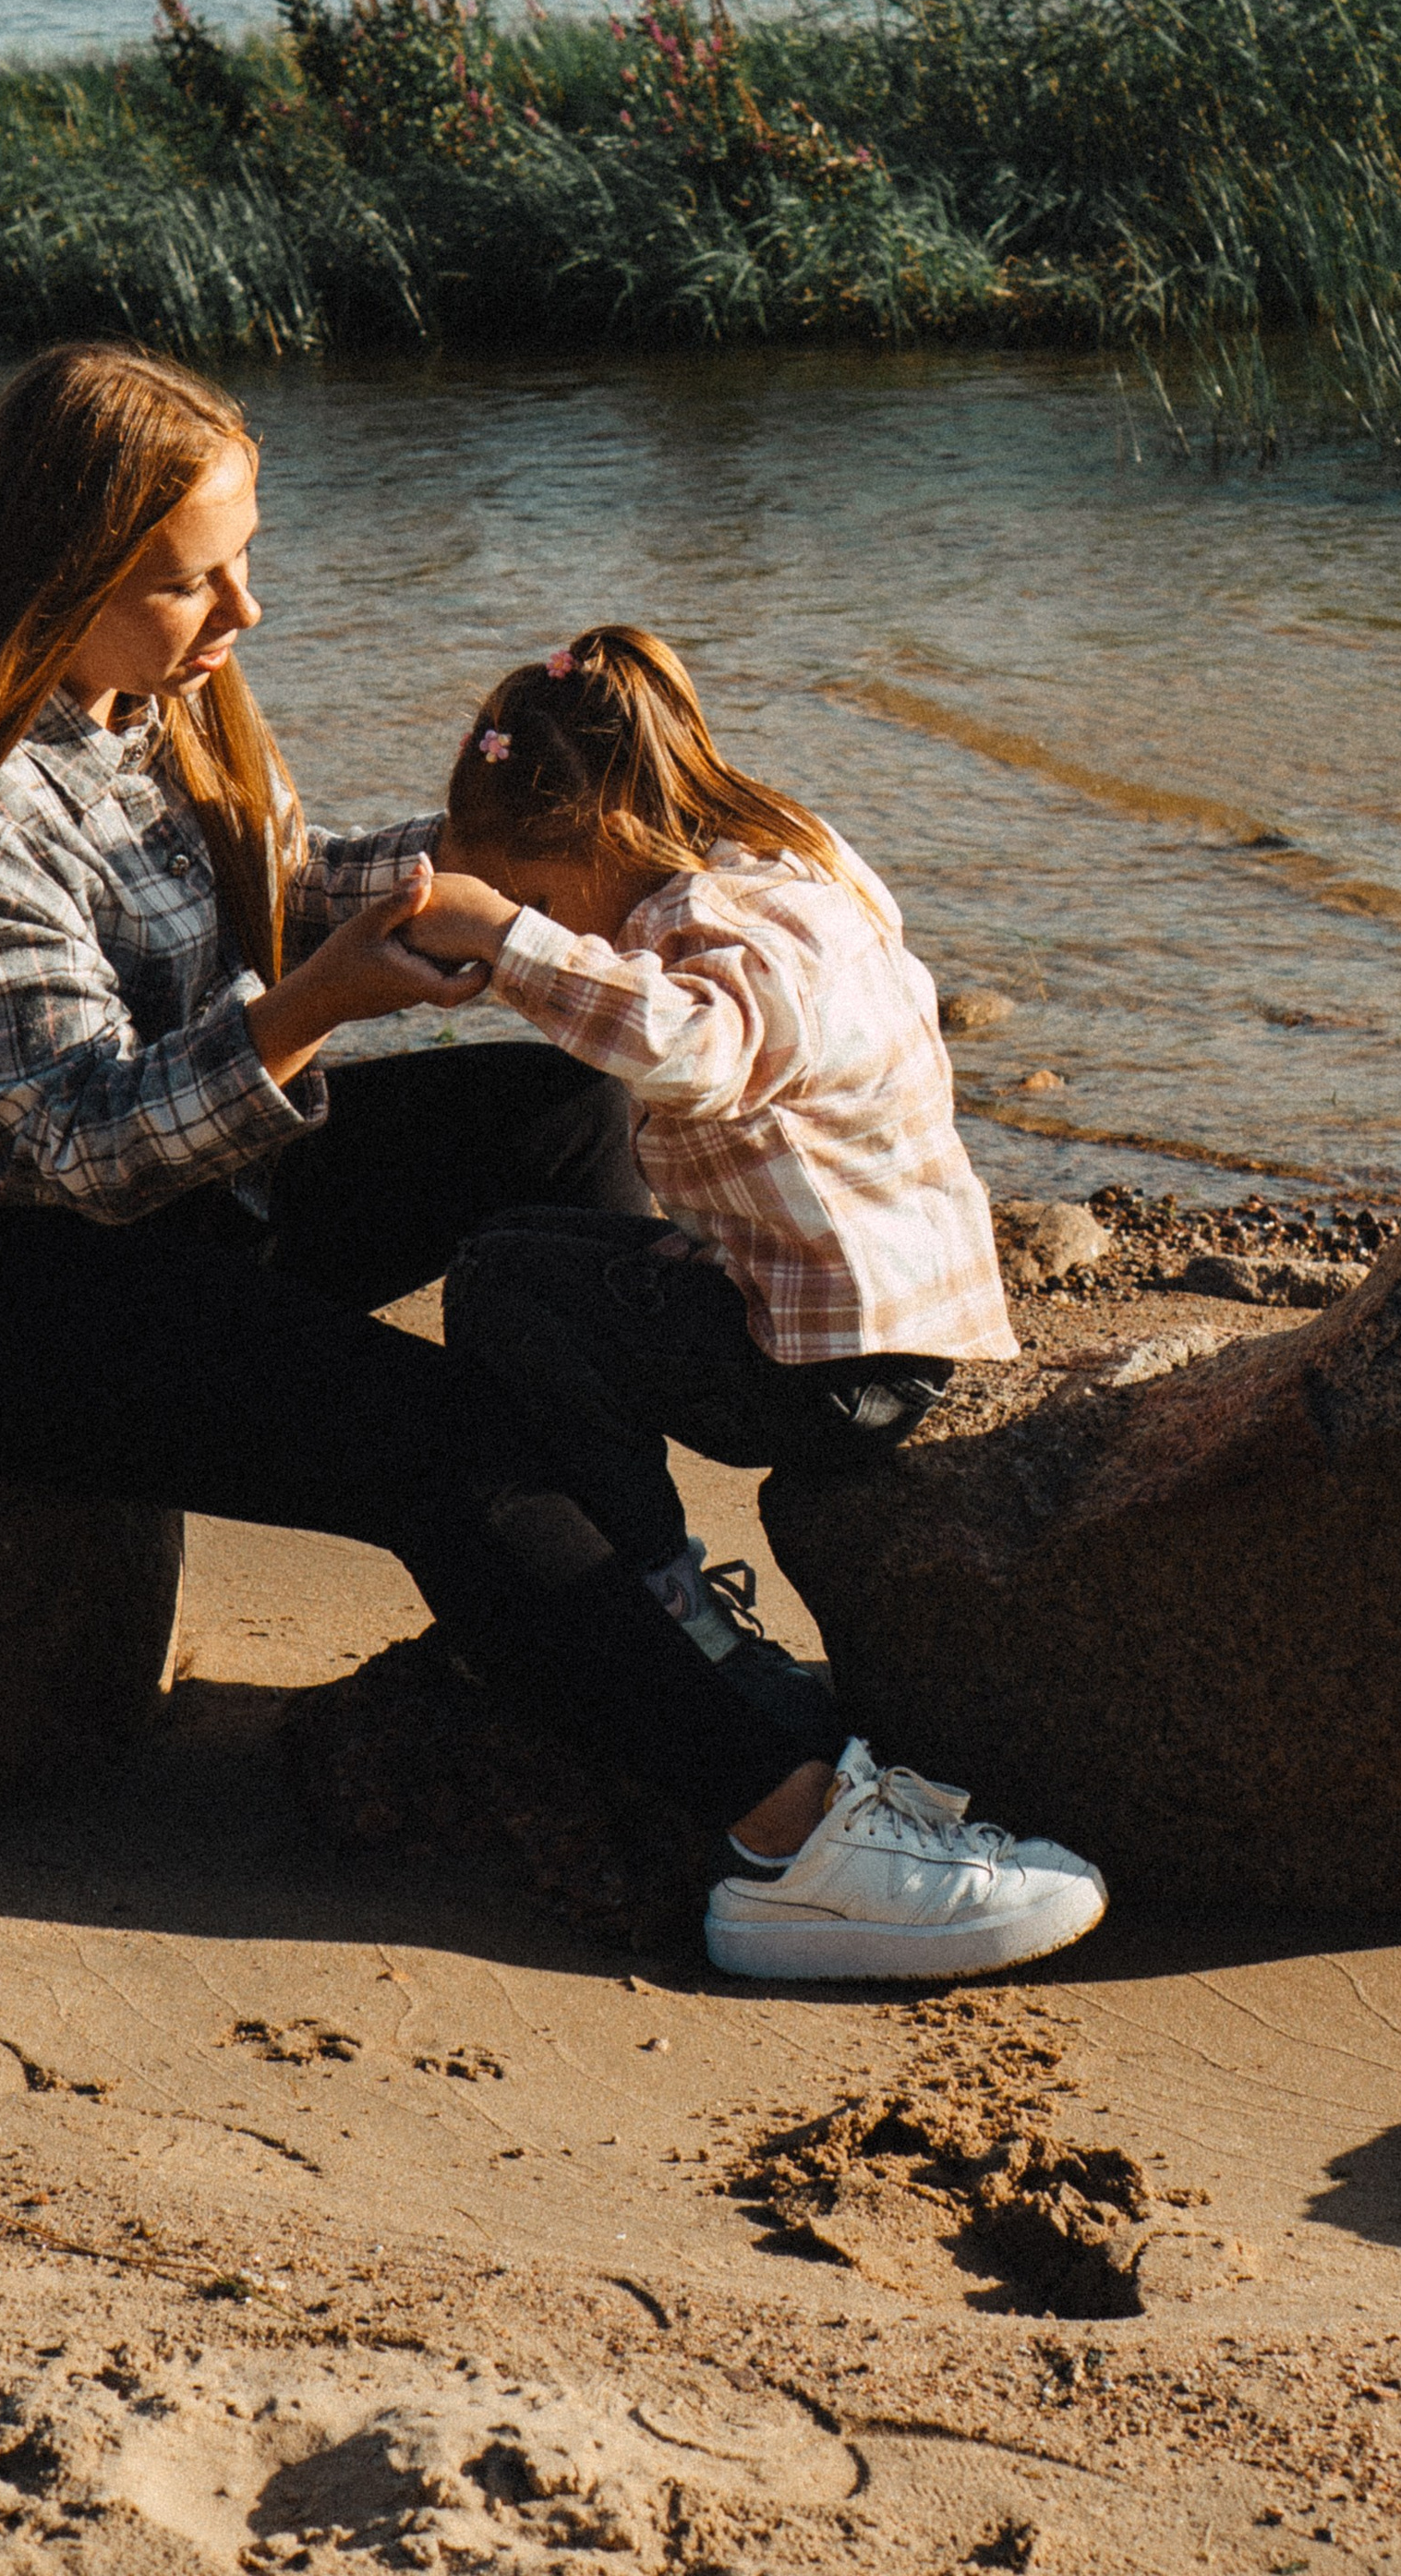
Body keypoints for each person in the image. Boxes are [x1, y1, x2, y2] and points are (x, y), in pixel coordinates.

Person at [0, 344, 1105, 1984]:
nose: (246, 613)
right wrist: (317, 1009)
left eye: (245, 556)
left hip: (174, 1199)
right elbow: (88, 1147)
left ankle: (623, 1585)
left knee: (560, 1118)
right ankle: (785, 1833)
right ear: (52, 586)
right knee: (429, 1433)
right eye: (192, 580)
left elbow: (300, 879)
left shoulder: (157, 708)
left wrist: (578, 866)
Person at [394, 624, 1108, 1979]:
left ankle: (661, 1594)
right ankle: (662, 1576)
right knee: (542, 1246)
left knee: (502, 1283)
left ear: (598, 835)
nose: (544, 923)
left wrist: (525, 953)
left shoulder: (714, 937)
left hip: (822, 1366)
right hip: (886, 1320)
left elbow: (696, 1052)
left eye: (542, 892)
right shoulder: (792, 860)